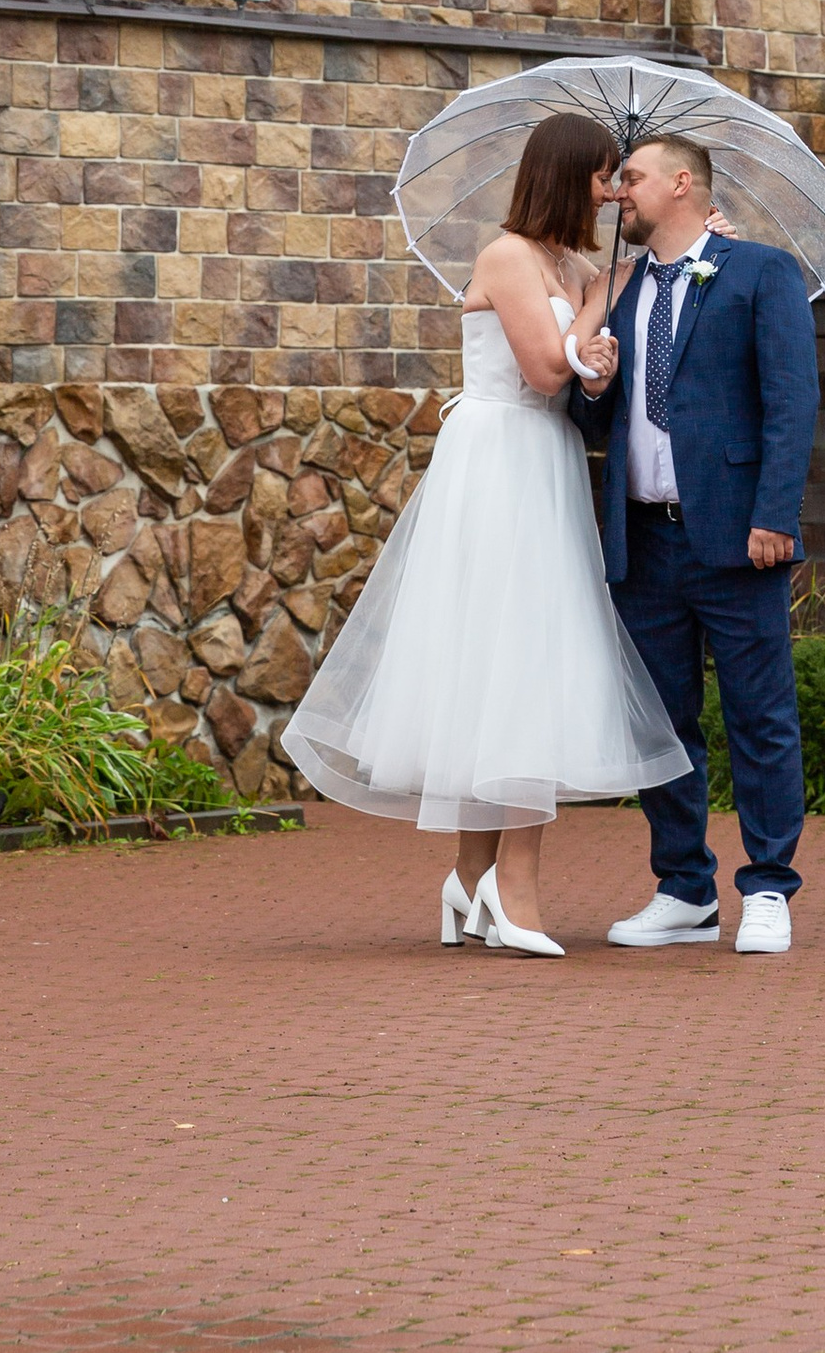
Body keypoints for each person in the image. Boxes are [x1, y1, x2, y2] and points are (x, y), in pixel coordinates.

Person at [279, 113, 687, 956]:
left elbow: (578, 384)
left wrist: (598, 350)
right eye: (605, 175)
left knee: (518, 663)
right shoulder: (507, 256)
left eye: (621, 178)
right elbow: (543, 371)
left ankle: (469, 885)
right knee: (513, 662)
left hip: (546, 460)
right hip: (498, 460)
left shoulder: (574, 266)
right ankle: (515, 893)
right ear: (568, 174)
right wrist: (597, 313)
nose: (613, 192)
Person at [573, 129, 819, 957]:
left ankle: (769, 887)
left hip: (736, 537)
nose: (619, 194)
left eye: (632, 178)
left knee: (760, 717)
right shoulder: (626, 289)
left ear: (683, 183)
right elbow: (600, 419)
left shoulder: (758, 271)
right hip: (645, 540)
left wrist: (775, 515)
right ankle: (683, 889)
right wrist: (595, 382)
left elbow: (792, 403)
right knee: (662, 724)